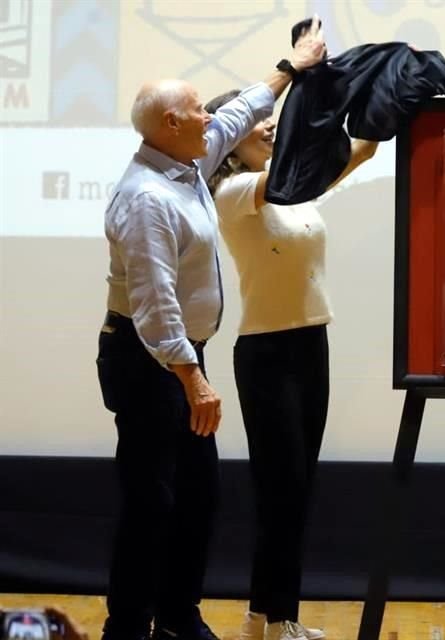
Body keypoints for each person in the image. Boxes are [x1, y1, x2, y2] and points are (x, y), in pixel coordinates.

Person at [95, 17, 327, 640]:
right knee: (153, 503)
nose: (211, 117)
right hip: (149, 361)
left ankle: (177, 619)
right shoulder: (147, 196)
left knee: (198, 498)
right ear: (170, 125)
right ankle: (127, 628)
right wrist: (193, 379)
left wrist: (293, 66)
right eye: (198, 109)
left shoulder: (185, 162)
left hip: (176, 359)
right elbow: (154, 304)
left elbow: (241, 110)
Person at [202, 88, 377, 640]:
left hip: (311, 347)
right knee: (281, 491)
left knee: (295, 493)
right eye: (260, 124)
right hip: (267, 353)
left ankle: (265, 618)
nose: (272, 129)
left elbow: (363, 152)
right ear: (232, 140)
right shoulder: (231, 192)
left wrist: (388, 105)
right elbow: (284, 176)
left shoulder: (294, 189)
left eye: (273, 122)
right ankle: (279, 624)